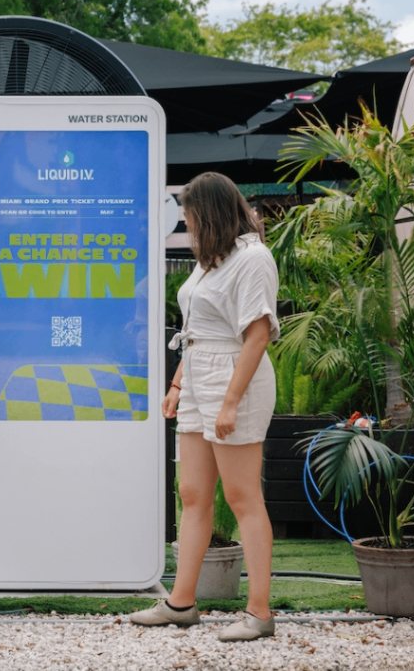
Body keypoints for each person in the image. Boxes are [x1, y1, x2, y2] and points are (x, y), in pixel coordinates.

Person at [129, 172, 280, 642]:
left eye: (192, 217)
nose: (189, 226)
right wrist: (177, 383)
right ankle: (181, 603)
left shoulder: (253, 258)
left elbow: (257, 335)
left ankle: (259, 613)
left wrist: (230, 402)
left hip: (234, 374)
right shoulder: (211, 260)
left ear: (211, 213)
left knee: (241, 497)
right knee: (192, 494)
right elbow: (195, 326)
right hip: (197, 374)